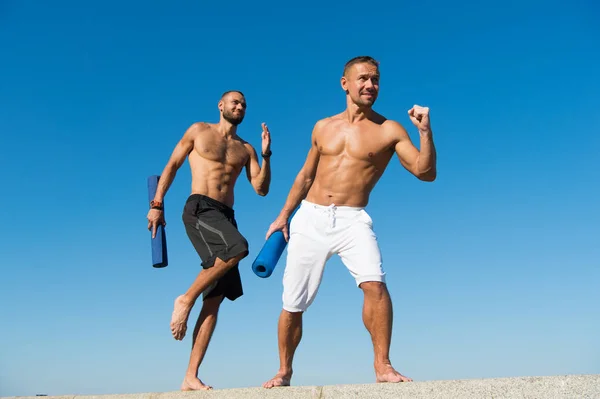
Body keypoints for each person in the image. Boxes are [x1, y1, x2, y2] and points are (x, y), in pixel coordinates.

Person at [262, 56, 437, 388]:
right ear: (345, 83)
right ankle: (284, 370)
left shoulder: (389, 130)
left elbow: (425, 172)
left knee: (375, 284)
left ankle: (383, 366)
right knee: (293, 301)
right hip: (310, 217)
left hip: (353, 219)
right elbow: (304, 176)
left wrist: (425, 133)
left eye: (376, 79)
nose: (370, 85)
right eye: (363, 79)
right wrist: (283, 216)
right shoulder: (323, 127)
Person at [146, 90, 273, 391]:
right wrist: (156, 204)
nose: (239, 106)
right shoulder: (199, 131)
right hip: (200, 208)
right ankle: (185, 299)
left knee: (215, 300)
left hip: (225, 217)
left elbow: (261, 188)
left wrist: (266, 156)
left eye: (243, 104)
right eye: (234, 102)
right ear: (221, 105)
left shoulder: (246, 149)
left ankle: (190, 376)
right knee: (238, 248)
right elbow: (173, 165)